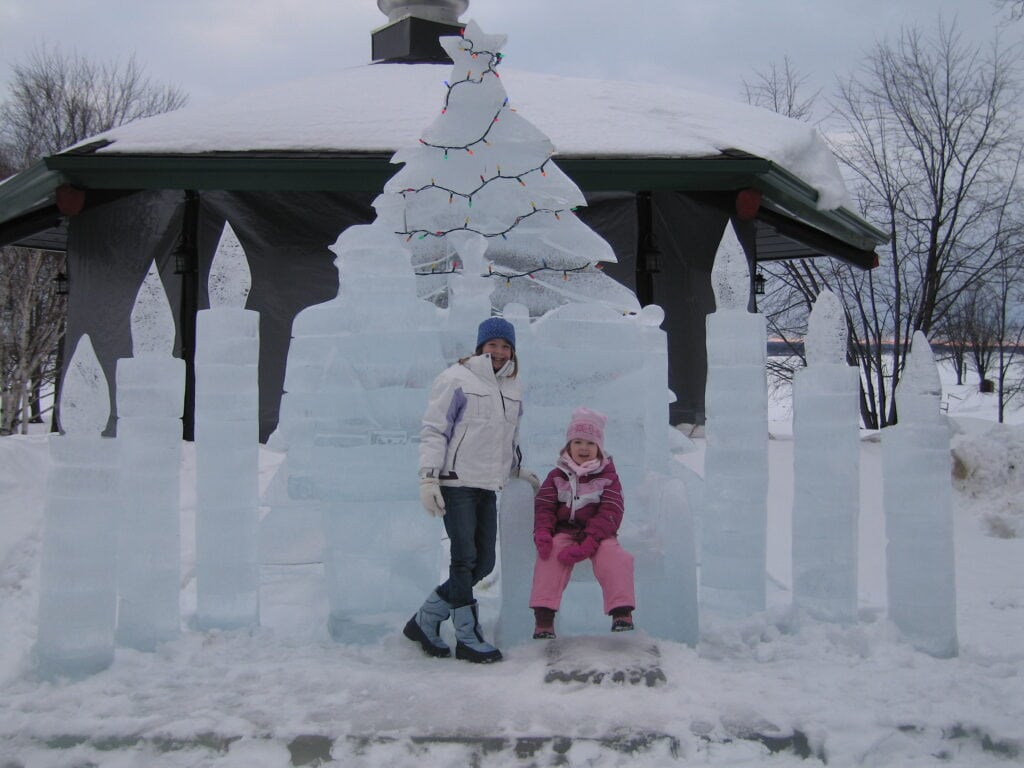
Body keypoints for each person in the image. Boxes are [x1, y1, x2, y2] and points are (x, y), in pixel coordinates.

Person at [404, 316, 537, 663]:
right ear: (481, 346)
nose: (499, 351)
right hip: (456, 482)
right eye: (493, 344)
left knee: (484, 562)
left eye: (505, 346)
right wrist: (428, 478)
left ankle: (427, 618)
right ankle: (467, 636)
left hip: (487, 485)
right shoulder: (456, 379)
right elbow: (435, 430)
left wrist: (516, 468)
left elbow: (509, 435)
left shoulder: (513, 385)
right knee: (463, 560)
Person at [529, 407, 635, 639]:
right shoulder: (557, 476)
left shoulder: (608, 476)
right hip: (564, 530)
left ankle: (621, 611)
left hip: (599, 533)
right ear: (568, 446)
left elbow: (612, 510)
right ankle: (544, 616)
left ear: (599, 447)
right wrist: (544, 532)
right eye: (577, 442)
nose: (584, 448)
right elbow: (545, 506)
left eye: (590, 443)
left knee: (614, 556)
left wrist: (591, 539)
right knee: (551, 554)